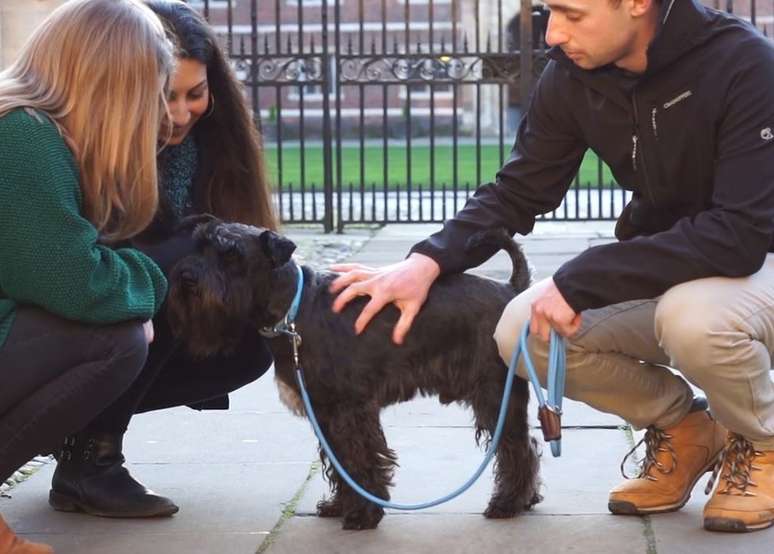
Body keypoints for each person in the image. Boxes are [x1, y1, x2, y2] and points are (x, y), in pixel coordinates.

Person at [330, 0, 774, 533]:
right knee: (522, 330)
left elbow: (739, 236)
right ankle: (684, 429)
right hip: (671, 267)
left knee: (692, 319)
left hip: (757, 265)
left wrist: (580, 277)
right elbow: (519, 190)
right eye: (547, 12)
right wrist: (425, 262)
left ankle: (763, 445)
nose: (553, 35)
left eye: (571, 14)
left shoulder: (745, 64)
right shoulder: (574, 74)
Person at [43, 0, 278, 519]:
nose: (178, 114)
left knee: (248, 347)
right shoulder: (75, 145)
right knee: (182, 265)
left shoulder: (209, 149)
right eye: (163, 96)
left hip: (135, 320)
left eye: (195, 94)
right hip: (70, 322)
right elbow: (77, 272)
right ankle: (90, 457)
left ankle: (76, 433)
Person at [0, 0, 174, 550]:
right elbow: (72, 279)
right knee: (114, 340)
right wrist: (150, 286)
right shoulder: (23, 138)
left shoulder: (25, 128)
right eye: (153, 90)